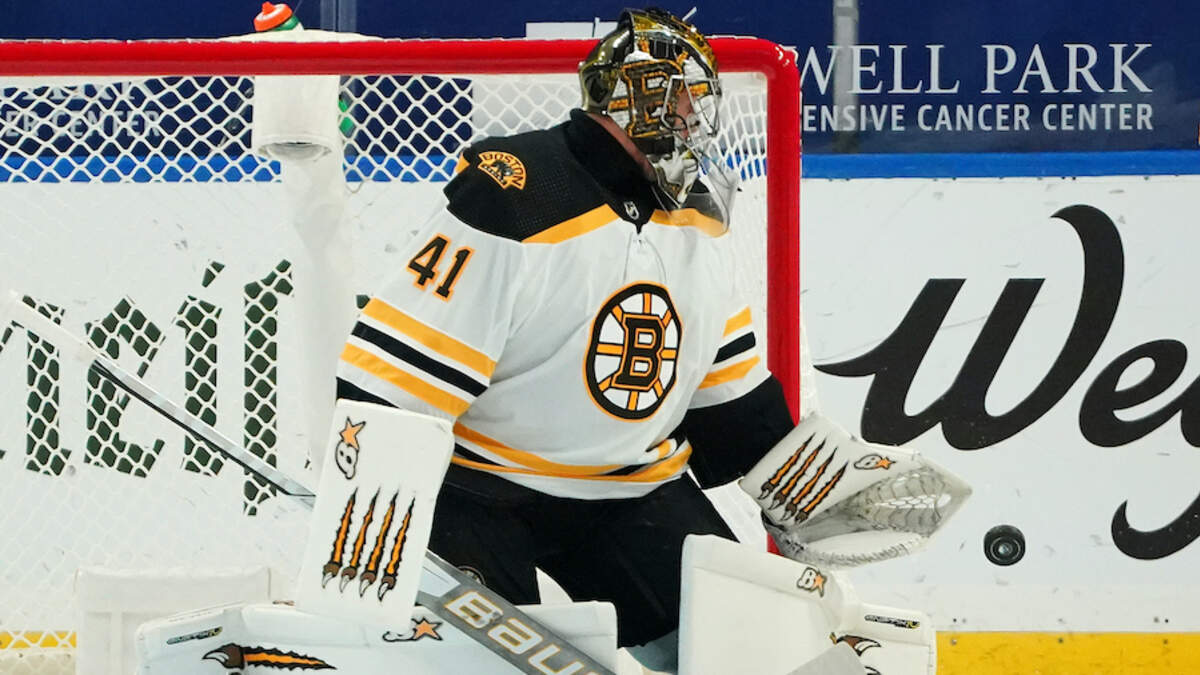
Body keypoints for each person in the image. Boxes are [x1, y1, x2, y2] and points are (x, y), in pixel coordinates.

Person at [335, 7, 794, 666]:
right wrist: (367, 524)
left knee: (752, 653)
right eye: (684, 97)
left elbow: (729, 402)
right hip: (474, 487)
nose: (696, 117)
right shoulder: (517, 193)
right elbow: (391, 386)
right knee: (480, 663)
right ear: (640, 98)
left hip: (629, 486)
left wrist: (807, 489)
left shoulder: (697, 215)